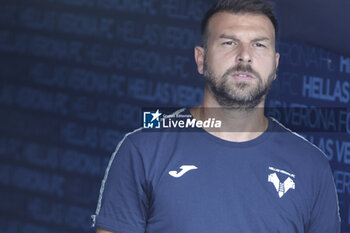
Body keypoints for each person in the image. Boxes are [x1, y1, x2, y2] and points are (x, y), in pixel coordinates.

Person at [92, 0, 341, 232]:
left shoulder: (311, 166)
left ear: (275, 66)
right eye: (229, 42)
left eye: (259, 44)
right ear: (201, 59)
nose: (245, 55)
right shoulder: (143, 149)